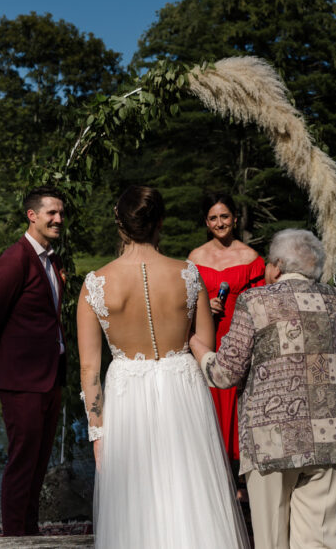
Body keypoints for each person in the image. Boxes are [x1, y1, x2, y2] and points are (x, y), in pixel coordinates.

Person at [77, 186, 249, 548]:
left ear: (119, 223)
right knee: (190, 491)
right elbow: (205, 342)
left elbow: (89, 369)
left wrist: (97, 433)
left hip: (127, 393)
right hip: (182, 388)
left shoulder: (95, 284)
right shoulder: (188, 274)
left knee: (135, 500)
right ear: (160, 223)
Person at [190, 229, 336, 549]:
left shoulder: (253, 300)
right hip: (331, 439)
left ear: (275, 266)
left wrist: (199, 349)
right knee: (323, 543)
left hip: (270, 441)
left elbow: (225, 373)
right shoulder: (335, 299)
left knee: (271, 541)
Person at [0, 186, 67, 536]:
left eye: (60, 213)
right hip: (21, 380)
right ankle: (15, 539)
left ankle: (30, 534)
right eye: (51, 213)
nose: (58, 219)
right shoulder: (13, 261)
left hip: (50, 376)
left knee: (39, 463)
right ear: (32, 216)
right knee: (22, 464)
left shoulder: (51, 259)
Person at [187, 193, 265, 463]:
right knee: (208, 402)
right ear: (206, 222)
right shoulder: (195, 257)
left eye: (224, 216)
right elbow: (182, 306)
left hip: (240, 340)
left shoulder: (251, 258)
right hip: (206, 342)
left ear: (234, 218)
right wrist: (203, 306)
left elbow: (261, 306)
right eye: (213, 218)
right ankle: (213, 469)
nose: (219, 223)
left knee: (239, 403)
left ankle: (243, 477)